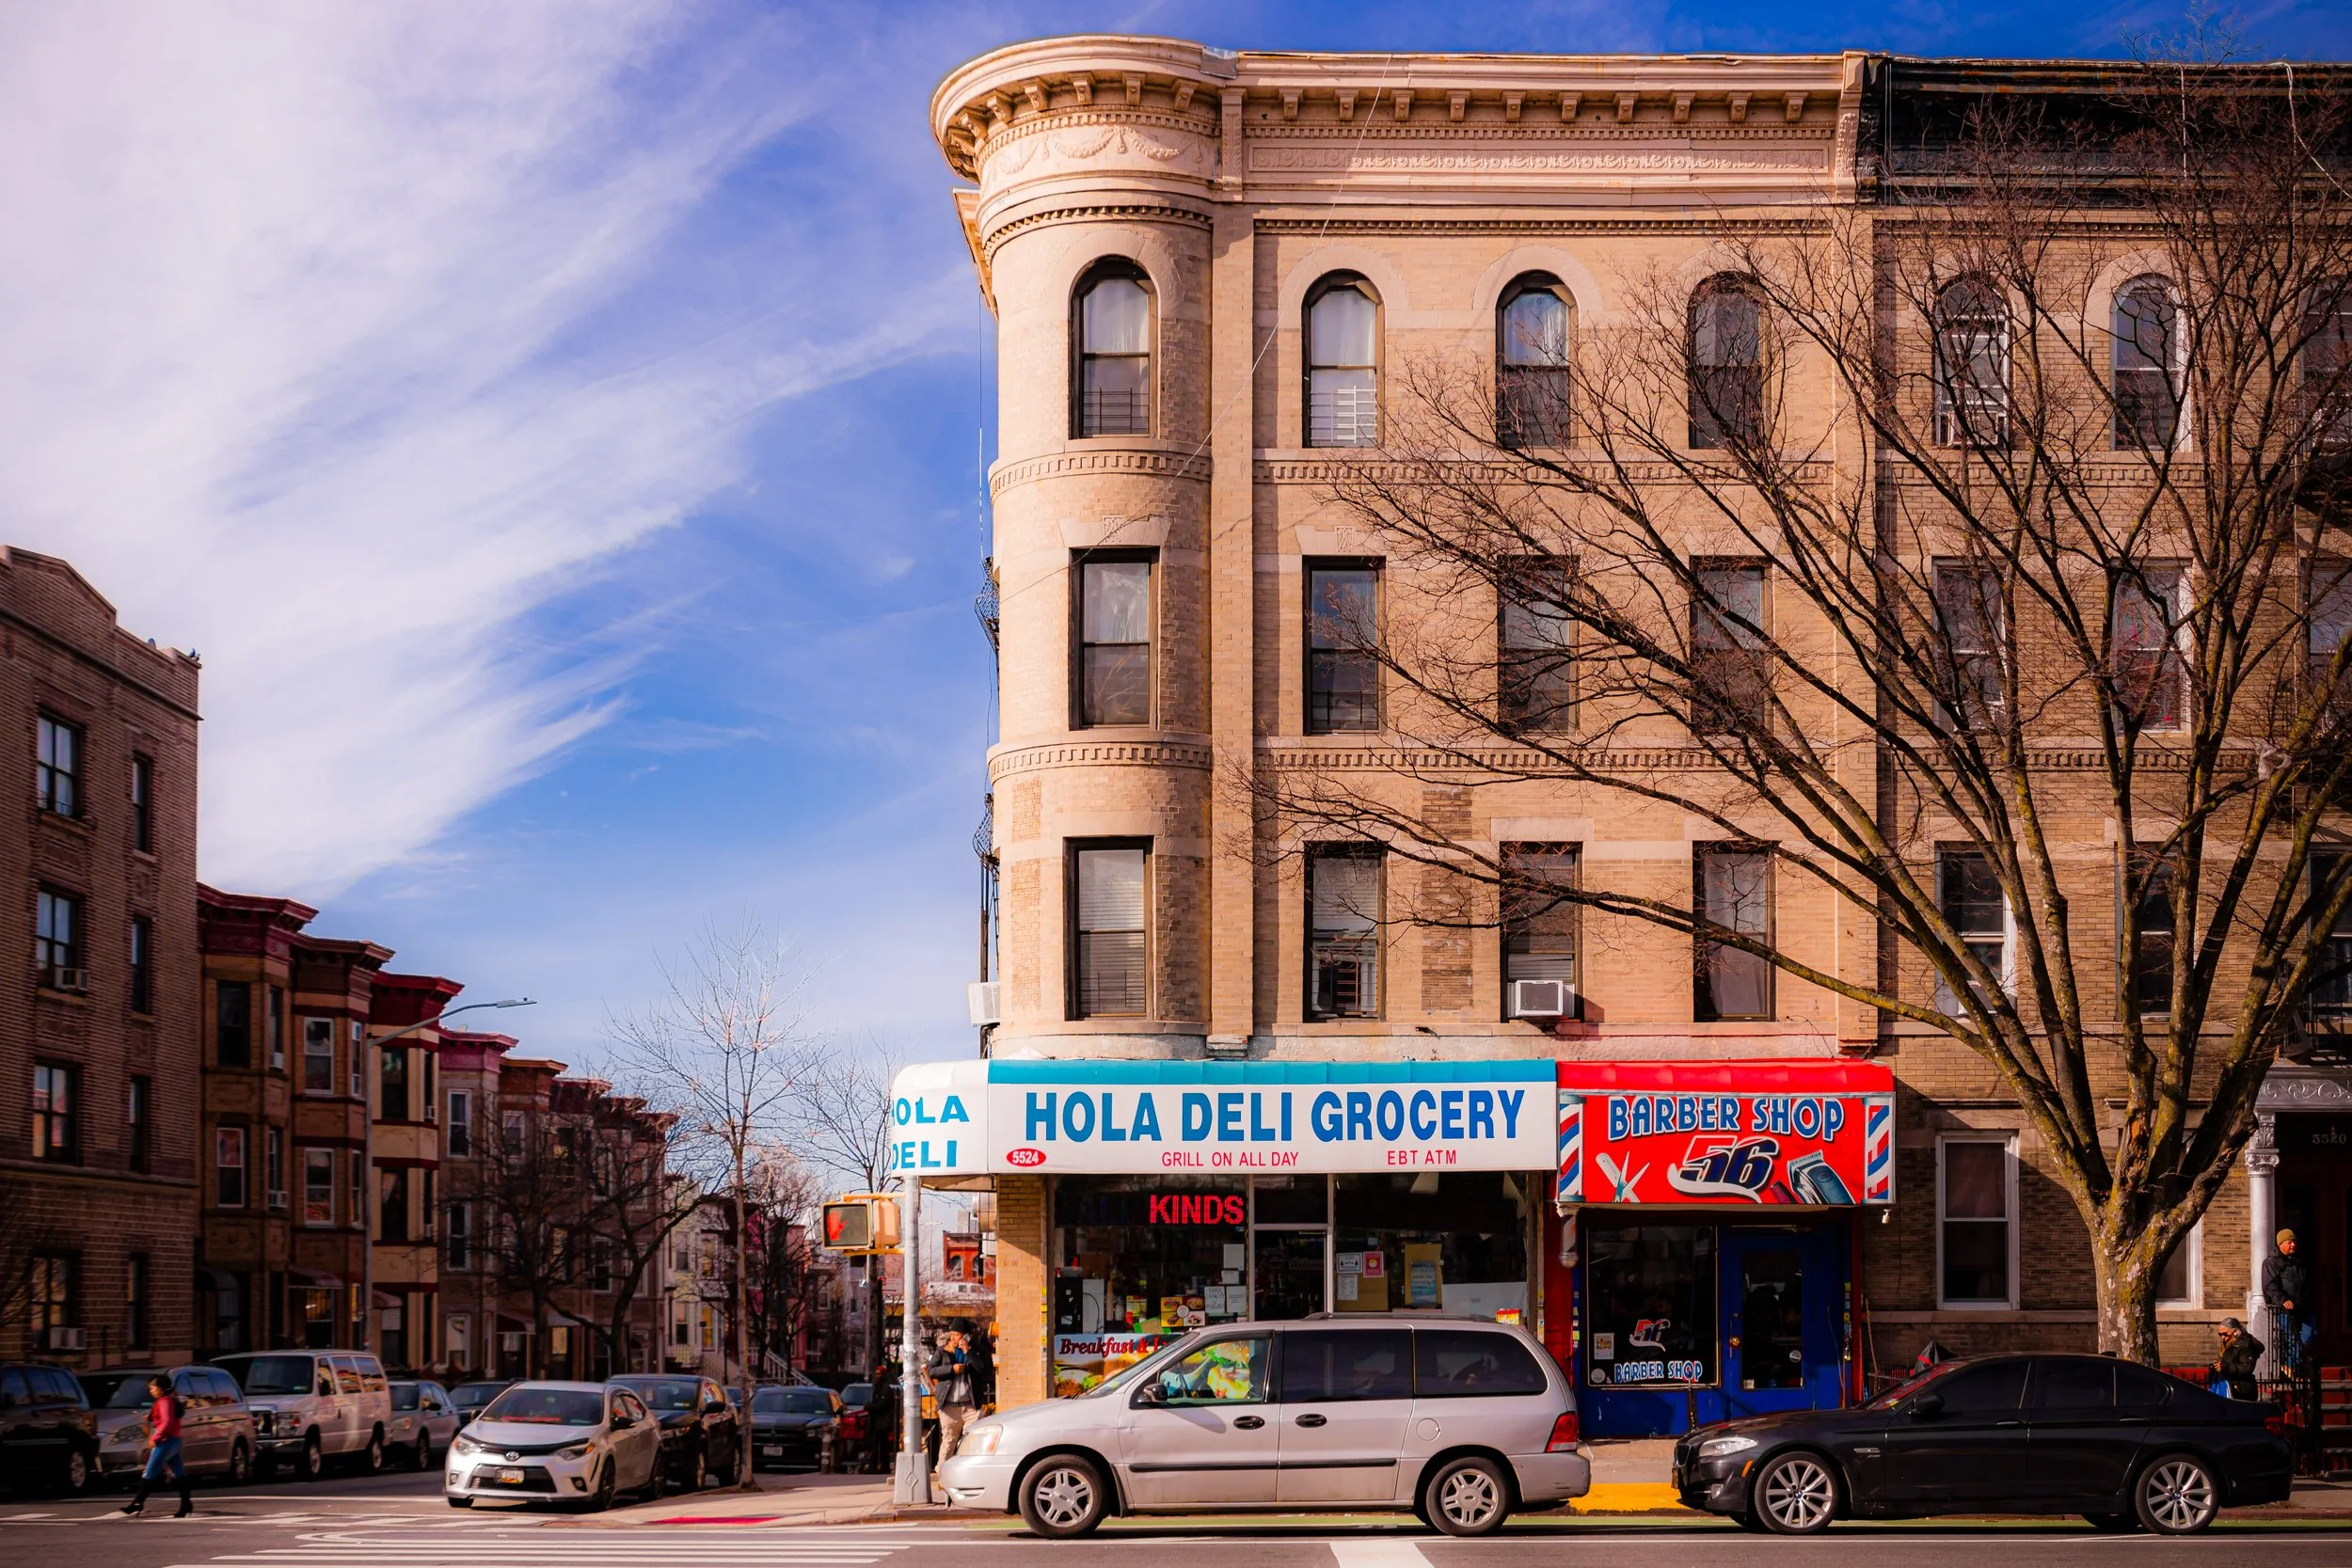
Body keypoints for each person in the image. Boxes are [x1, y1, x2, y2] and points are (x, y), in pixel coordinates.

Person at [119, 1374, 193, 1518]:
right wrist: (151, 1418)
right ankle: (186, 1504)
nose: (151, 1391)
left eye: (152, 1388)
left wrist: (155, 1437)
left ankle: (137, 1503)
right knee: (180, 1474)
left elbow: (167, 1422)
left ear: (160, 1388)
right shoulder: (170, 1400)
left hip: (165, 1442)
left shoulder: (164, 1401)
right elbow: (167, 1418)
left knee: (149, 1473)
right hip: (175, 1441)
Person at [2263, 1227, 2316, 1374]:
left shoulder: (2299, 1262)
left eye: (2294, 1242)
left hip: (2303, 1307)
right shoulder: (2271, 1262)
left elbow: (2306, 1284)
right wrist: (2282, 1299)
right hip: (2284, 1309)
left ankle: (2290, 1366)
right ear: (2280, 1244)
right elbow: (2270, 1286)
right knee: (2292, 1339)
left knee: (2309, 1333)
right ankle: (2292, 1368)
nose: (2293, 1245)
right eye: (2289, 1242)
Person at [929, 1329, 978, 1462]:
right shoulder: (942, 1351)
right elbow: (931, 1371)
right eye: (954, 1335)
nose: (957, 1339)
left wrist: (968, 1352)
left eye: (960, 1335)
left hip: (970, 1405)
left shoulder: (972, 1351)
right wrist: (951, 1369)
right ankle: (942, 1473)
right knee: (949, 1441)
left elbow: (983, 1368)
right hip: (948, 1406)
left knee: (972, 1440)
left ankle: (966, 1473)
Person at [2211, 1316, 2265, 1400]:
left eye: (2225, 1334)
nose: (2222, 1337)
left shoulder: (2246, 1345)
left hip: (2242, 1390)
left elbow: (2247, 1368)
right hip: (2229, 1387)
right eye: (2220, 1334)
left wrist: (2225, 1367)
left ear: (2235, 1331)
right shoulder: (2228, 1344)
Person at [866, 1359, 899, 1475]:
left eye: (878, 1374)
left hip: (882, 1422)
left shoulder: (885, 1388)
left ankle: (877, 1467)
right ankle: (880, 1466)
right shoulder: (878, 1387)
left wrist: (869, 1407)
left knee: (880, 1445)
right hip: (878, 1421)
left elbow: (881, 1405)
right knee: (880, 1445)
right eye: (875, 1374)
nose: (876, 1376)